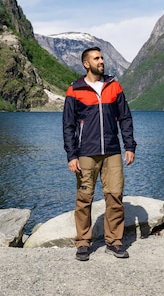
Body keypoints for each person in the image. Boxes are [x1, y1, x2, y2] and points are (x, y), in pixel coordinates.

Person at [62, 47, 137, 261]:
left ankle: (114, 242)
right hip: (86, 153)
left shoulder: (114, 86)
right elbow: (68, 126)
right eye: (97, 58)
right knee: (84, 198)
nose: (101, 61)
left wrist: (129, 146)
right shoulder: (74, 89)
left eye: (102, 57)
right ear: (86, 63)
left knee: (115, 196)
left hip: (112, 151)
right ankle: (83, 243)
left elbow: (125, 118)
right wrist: (71, 155)